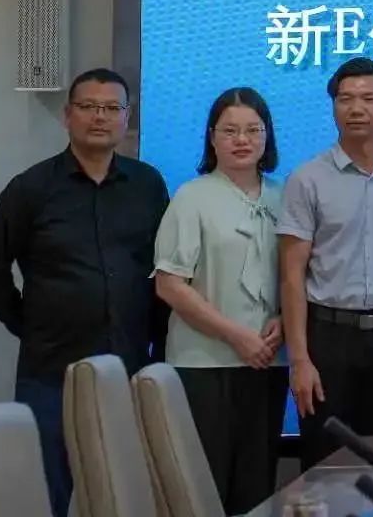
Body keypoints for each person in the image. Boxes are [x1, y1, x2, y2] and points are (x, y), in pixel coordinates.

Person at [0, 69, 169, 515]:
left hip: (128, 368)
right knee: (46, 495)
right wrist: (31, 326)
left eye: (111, 108)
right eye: (88, 107)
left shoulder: (148, 185)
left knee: (125, 496)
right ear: (68, 115)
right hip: (51, 371)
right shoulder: (32, 188)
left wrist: (158, 345)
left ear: (127, 117)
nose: (100, 117)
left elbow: (162, 272)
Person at [279, 57, 373, 471]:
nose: (356, 108)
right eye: (345, 99)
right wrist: (300, 360)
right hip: (327, 337)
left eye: (368, 98)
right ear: (333, 107)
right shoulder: (307, 179)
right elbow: (291, 275)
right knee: (324, 461)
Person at [153, 88, 287, 516]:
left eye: (253, 130)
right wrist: (236, 336)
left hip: (268, 363)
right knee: (204, 488)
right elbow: (170, 285)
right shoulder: (192, 196)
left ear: (267, 136)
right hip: (203, 364)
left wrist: (284, 320)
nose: (242, 140)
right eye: (230, 130)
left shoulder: (284, 197)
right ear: (212, 137)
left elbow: (297, 275)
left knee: (258, 485)